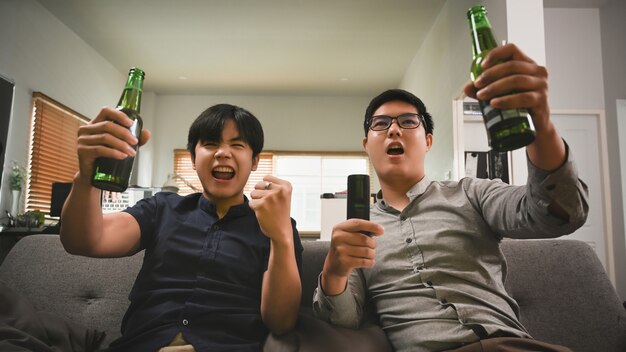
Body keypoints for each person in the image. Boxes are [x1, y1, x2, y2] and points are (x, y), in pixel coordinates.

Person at [312, 43, 589, 352]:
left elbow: (555, 215)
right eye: (380, 123)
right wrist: (334, 270)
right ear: (367, 144)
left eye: (407, 121)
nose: (393, 130)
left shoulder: (472, 193)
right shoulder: (357, 231)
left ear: (428, 141)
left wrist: (541, 123)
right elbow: (343, 320)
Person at [60, 103, 303, 351]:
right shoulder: (161, 209)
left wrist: (281, 236)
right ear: (193, 158)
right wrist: (86, 177)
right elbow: (84, 240)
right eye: (210, 144)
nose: (222, 153)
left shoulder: (276, 225)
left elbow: (281, 323)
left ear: (254, 162)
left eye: (237, 145)